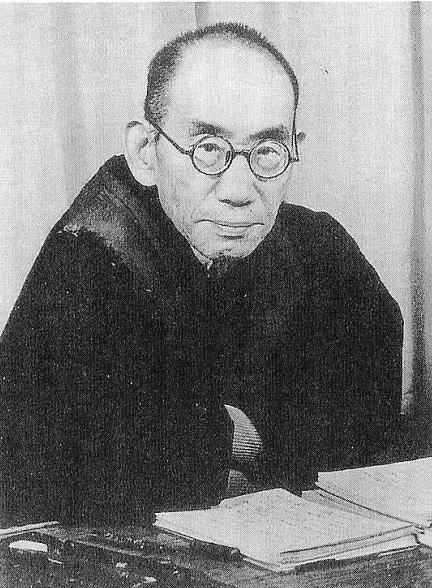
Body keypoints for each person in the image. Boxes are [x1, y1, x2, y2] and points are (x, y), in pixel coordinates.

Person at [0, 22, 403, 526]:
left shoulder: (319, 248)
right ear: (146, 152)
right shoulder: (90, 263)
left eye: (267, 151)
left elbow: (366, 434)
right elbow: (101, 480)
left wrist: (229, 440)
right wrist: (248, 439)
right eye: (208, 148)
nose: (239, 189)